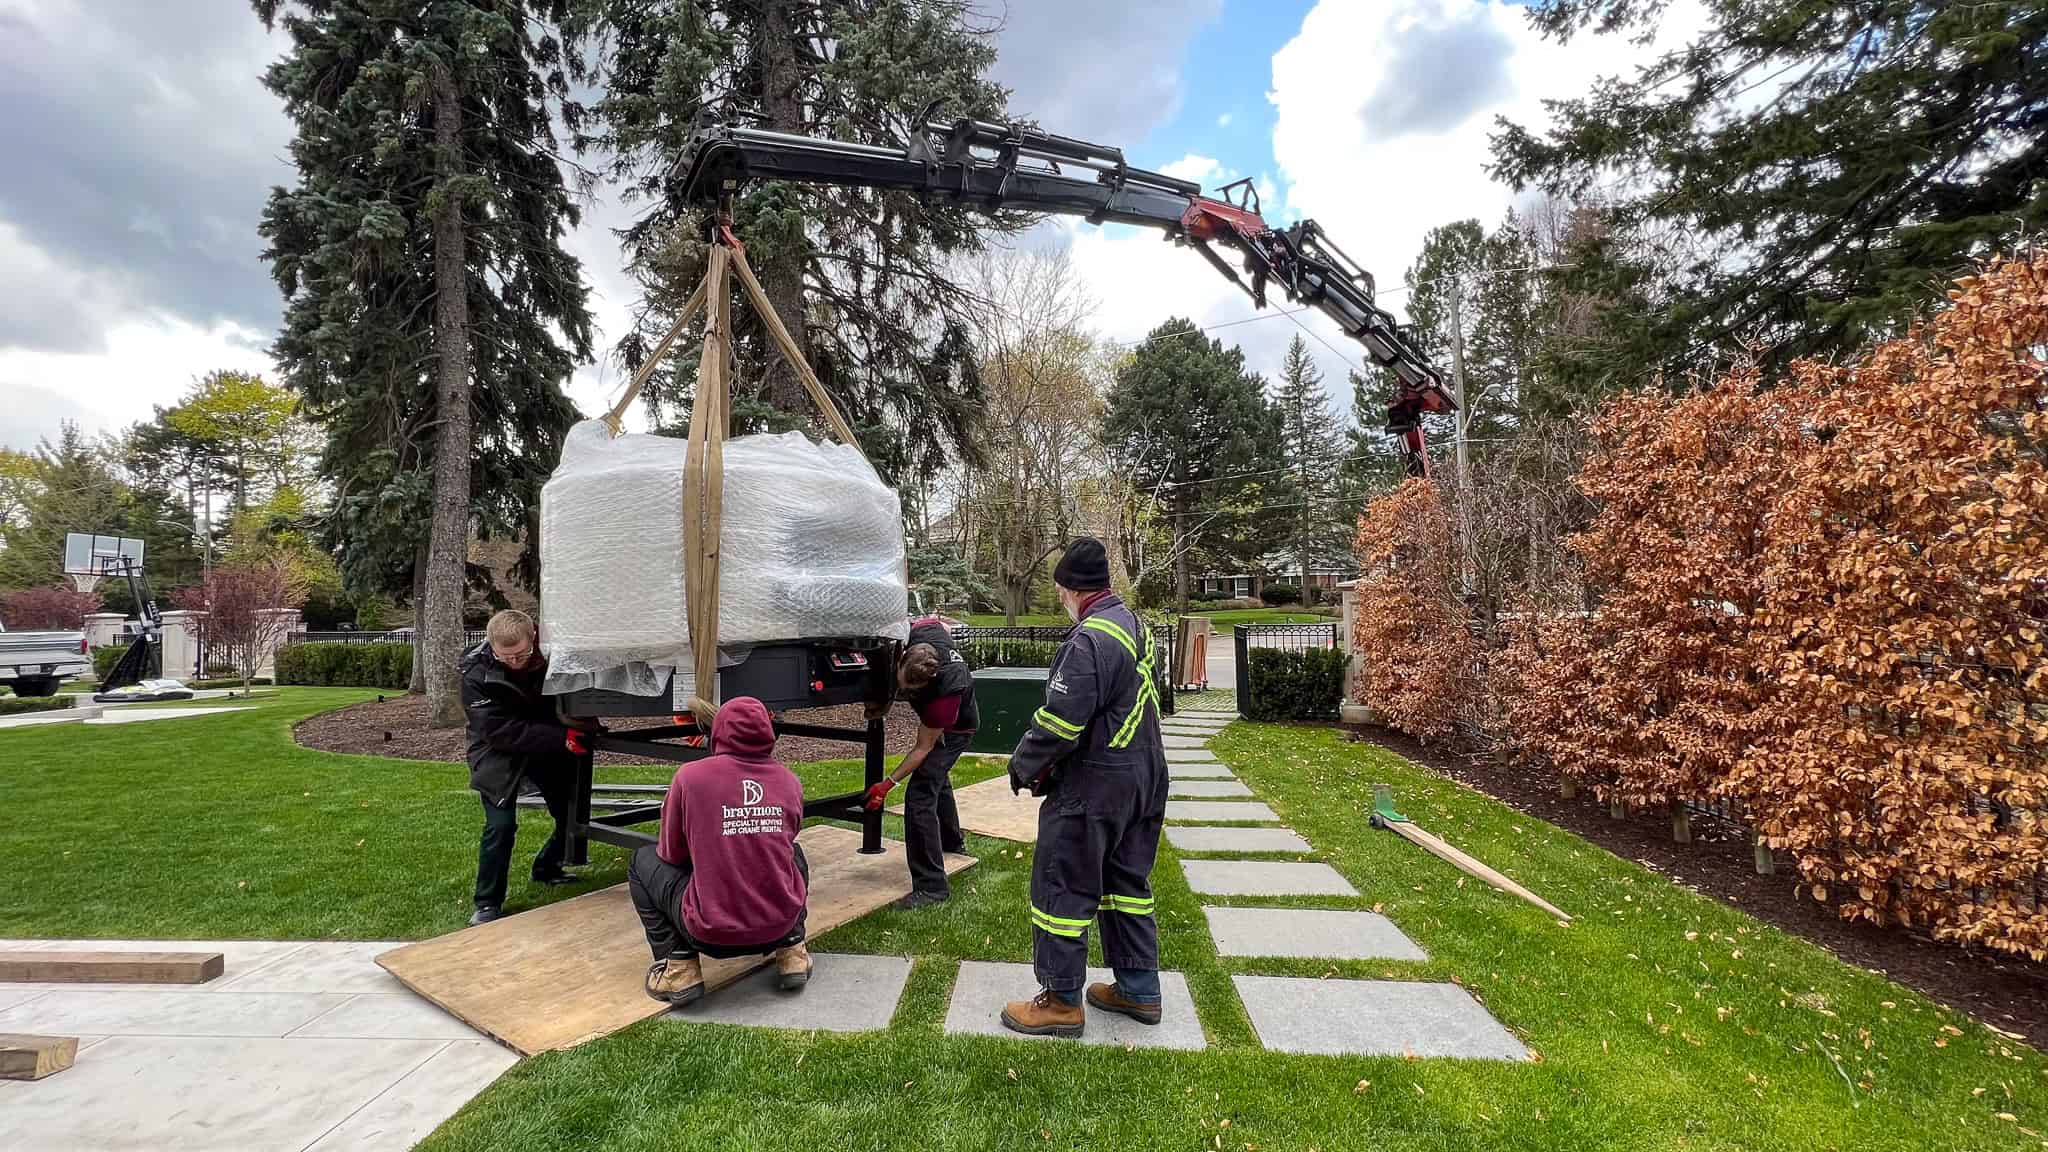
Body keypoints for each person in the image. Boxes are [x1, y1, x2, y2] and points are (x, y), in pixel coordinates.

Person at [999, 538, 1168, 1038]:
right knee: (1126, 884)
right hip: (1146, 774)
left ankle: (1061, 1000)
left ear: (1067, 589)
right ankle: (1139, 988)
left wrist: (1022, 766)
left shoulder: (1088, 640)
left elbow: (1059, 724)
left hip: (1097, 781)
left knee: (1062, 883)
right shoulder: (1137, 627)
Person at [635, 695, 813, 1004]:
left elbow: (671, 853)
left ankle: (680, 969)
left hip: (709, 932)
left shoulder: (690, 777)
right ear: (768, 733)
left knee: (642, 860)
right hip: (778, 925)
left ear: (718, 732)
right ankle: (793, 952)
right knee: (794, 854)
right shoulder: (789, 781)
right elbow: (784, 840)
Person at [462, 610, 587, 927]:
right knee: (500, 826)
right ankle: (487, 902)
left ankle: (547, 868)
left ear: (534, 636)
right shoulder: (476, 673)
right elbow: (497, 730)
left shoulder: (552, 654)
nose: (516, 662)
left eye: (522, 654)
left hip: (547, 745)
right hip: (496, 752)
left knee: (571, 814)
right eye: (507, 657)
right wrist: (561, 737)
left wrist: (581, 724)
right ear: (491, 646)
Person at [862, 618, 978, 909]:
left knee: (920, 794)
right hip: (938, 721)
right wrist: (882, 707)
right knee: (937, 781)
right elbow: (932, 622)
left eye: (911, 692)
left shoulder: (946, 693)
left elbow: (923, 747)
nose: (906, 694)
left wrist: (887, 784)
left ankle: (931, 888)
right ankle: (953, 842)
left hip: (956, 731)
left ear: (928, 682)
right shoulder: (923, 633)